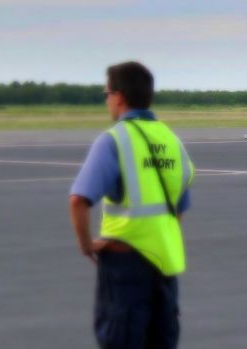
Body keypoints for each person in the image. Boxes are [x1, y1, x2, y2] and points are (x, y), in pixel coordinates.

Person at [69, 61, 194, 348]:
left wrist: (87, 245)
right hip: (165, 266)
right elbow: (178, 209)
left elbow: (79, 200)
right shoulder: (173, 142)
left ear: (120, 96)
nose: (107, 101)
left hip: (126, 267)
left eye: (106, 94)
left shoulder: (114, 140)